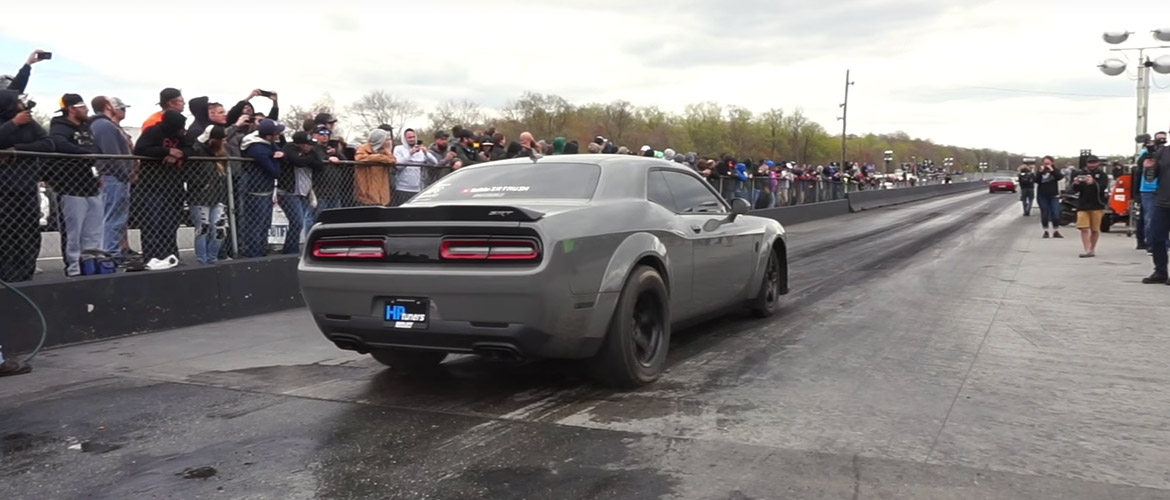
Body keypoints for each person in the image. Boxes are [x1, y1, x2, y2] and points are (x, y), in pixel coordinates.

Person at [0, 90, 54, 283]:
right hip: (4, 190)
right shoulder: (9, 122)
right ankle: (6, 273)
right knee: (7, 232)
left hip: (26, 186)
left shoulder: (30, 122)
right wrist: (13, 123)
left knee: (29, 232)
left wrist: (17, 150)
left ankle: (26, 270)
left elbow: (48, 143)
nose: (25, 105)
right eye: (19, 101)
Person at [48, 93, 103, 276]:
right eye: (81, 106)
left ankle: (92, 264)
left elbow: (96, 147)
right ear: (71, 109)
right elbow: (58, 143)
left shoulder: (87, 127)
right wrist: (83, 154)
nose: (86, 109)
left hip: (91, 183)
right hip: (70, 185)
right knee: (74, 232)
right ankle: (73, 268)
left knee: (93, 230)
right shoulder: (60, 127)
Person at [133, 110, 187, 263]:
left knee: (171, 224)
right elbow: (140, 149)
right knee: (152, 223)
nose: (181, 130)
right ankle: (152, 257)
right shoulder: (153, 131)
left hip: (173, 184)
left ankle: (171, 256)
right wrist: (166, 151)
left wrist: (179, 153)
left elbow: (191, 148)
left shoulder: (180, 136)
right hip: (152, 185)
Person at [90, 96, 137, 261]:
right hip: (114, 177)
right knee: (114, 218)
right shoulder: (104, 125)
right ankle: (112, 255)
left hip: (114, 176)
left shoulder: (102, 125)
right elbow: (112, 153)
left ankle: (112, 253)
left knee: (115, 217)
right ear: (107, 106)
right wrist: (125, 174)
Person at [238, 119, 286, 258]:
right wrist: (275, 158)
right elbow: (274, 171)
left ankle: (261, 249)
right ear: (268, 135)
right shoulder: (257, 148)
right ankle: (254, 252)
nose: (278, 136)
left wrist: (278, 156)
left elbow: (281, 154)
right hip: (256, 190)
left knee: (265, 222)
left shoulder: (269, 144)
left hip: (267, 188)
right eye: (276, 133)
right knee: (256, 223)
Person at [183, 125, 230, 264]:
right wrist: (203, 183)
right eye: (222, 140)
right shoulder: (197, 151)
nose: (224, 142)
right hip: (200, 196)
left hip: (217, 195)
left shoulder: (219, 153)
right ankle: (203, 259)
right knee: (203, 228)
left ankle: (211, 257)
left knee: (219, 229)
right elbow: (188, 173)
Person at [1071, 155, 1110, 258]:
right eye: (1089, 163)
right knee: (1084, 228)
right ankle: (1087, 249)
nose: (1091, 165)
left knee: (1094, 229)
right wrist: (1076, 183)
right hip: (1083, 205)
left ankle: (1092, 249)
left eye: (1094, 162)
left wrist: (1093, 182)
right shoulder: (1081, 174)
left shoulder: (1102, 175)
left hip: (1097, 205)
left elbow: (1102, 187)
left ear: (1097, 163)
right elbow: (1074, 190)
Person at [391, 128, 438, 206]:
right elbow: (398, 166)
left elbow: (435, 162)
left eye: (413, 137)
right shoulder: (398, 149)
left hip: (418, 188)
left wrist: (426, 152)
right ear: (404, 138)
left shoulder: (420, 150)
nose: (412, 139)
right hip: (403, 188)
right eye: (409, 137)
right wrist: (410, 154)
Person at [354, 128, 395, 206]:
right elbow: (359, 158)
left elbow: (393, 160)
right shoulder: (363, 148)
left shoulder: (383, 150)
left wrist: (388, 152)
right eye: (386, 139)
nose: (388, 142)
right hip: (367, 189)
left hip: (381, 191)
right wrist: (380, 158)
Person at [1034, 156, 1064, 238]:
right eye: (1045, 163)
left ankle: (1056, 231)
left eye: (1048, 163)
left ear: (1052, 163)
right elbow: (1036, 180)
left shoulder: (1055, 170)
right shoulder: (1040, 170)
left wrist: (1052, 170)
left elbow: (1060, 177)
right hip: (1042, 195)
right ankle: (1046, 231)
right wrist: (1040, 172)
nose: (1046, 165)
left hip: (1053, 195)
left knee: (1055, 213)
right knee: (1045, 213)